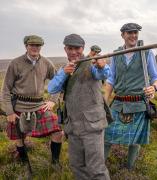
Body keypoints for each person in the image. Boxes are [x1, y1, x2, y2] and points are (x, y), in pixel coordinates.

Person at [48, 34, 111, 180]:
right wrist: (64, 73)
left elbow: (103, 73)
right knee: (77, 166)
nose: (74, 52)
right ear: (65, 49)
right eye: (70, 48)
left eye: (77, 48)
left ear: (82, 48)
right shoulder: (64, 69)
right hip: (73, 127)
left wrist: (102, 65)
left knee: (96, 169)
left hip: (92, 126)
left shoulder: (91, 63)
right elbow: (52, 88)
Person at [104, 23, 157, 170]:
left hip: (138, 103)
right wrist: (104, 101)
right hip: (118, 103)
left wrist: (153, 87)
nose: (133, 36)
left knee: (135, 141)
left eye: (135, 32)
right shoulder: (116, 54)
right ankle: (99, 168)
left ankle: (129, 170)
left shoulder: (146, 53)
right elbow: (111, 79)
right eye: (129, 33)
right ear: (122, 35)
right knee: (107, 136)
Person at [1, 35, 63, 174]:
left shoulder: (47, 63)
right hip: (18, 107)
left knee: (58, 132)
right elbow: (5, 89)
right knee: (18, 138)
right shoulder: (15, 63)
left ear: (41, 47)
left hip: (39, 106)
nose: (35, 48)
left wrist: (52, 100)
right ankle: (24, 162)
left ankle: (55, 162)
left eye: (38, 45)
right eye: (32, 45)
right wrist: (9, 112)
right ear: (26, 46)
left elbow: (58, 82)